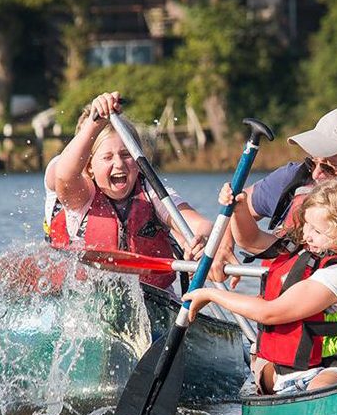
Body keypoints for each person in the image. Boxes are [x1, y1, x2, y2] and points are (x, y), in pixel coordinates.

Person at [183, 178, 337, 394]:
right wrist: (239, 209)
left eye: (317, 231)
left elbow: (269, 313)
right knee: (264, 374)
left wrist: (211, 295)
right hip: (287, 374)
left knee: (320, 388)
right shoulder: (309, 250)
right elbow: (252, 239)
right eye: (306, 225)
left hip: (328, 370)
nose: (306, 235)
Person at [209, 105, 337, 283]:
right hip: (280, 309)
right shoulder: (294, 177)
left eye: (329, 167)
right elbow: (238, 203)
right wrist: (223, 245)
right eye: (312, 162)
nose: (316, 174)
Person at [45, 91, 212, 290]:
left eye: (126, 155)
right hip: (85, 297)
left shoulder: (153, 192)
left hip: (152, 300)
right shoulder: (82, 196)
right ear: (89, 167)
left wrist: (200, 240)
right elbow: (64, 175)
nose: (119, 165)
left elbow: (200, 224)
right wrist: (95, 122)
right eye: (107, 157)